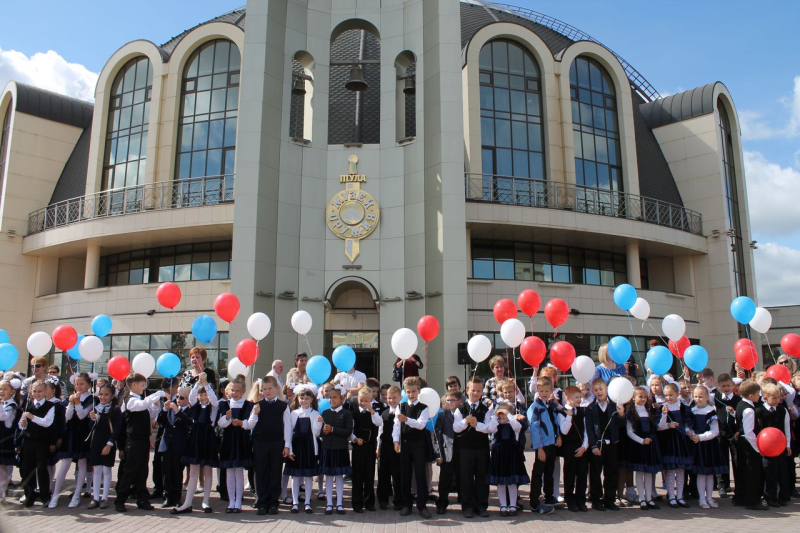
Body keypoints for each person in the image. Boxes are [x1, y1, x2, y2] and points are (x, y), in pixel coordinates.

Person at [115, 373, 165, 512]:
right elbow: (142, 405)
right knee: (130, 470)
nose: (144, 387)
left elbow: (152, 412)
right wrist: (157, 394)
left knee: (143, 470)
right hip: (133, 441)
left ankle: (143, 499)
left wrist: (155, 405)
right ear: (134, 385)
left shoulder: (142, 400)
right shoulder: (131, 400)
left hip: (144, 440)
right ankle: (120, 500)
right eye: (142, 385)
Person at [174, 373, 220, 514]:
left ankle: (206, 501)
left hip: (208, 438)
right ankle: (188, 502)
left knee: (207, 470)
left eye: (205, 394)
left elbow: (214, 400)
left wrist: (206, 384)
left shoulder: (214, 406)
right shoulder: (195, 405)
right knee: (193, 471)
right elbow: (192, 396)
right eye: (202, 395)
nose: (203, 397)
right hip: (196, 437)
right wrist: (198, 384)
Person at [248, 375, 292, 515]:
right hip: (260, 443)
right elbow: (250, 425)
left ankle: (273, 502)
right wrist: (255, 414)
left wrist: (287, 445)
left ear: (276, 388)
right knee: (261, 472)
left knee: (275, 472)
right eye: (264, 389)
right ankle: (262, 502)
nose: (267, 391)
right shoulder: (258, 405)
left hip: (277, 443)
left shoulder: (283, 406)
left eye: (269, 388)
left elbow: (288, 427)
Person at [50, 372, 94, 509]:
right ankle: (55, 495)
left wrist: (77, 403)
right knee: (65, 463)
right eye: (76, 383)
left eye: (81, 384)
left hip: (83, 433)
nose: (78, 386)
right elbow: (67, 417)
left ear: (88, 385)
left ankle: (76, 495)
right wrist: (70, 403)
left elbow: (82, 416)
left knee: (81, 463)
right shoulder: (70, 397)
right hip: (70, 433)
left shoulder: (92, 399)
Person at [453, 375, 495, 518]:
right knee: (466, 477)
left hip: (482, 448)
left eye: (478, 391)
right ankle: (467, 506)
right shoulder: (460, 408)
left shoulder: (485, 409)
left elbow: (489, 428)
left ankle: (482, 505)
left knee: (482, 477)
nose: (476, 393)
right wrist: (465, 422)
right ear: (467, 390)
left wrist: (477, 425)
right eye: (473, 390)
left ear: (482, 392)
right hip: (465, 448)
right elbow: (456, 428)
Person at [393, 376, 432, 518]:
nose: (411, 394)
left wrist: (407, 420)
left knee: (420, 474)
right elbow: (396, 426)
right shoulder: (401, 406)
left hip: (418, 445)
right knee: (405, 474)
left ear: (418, 391)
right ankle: (406, 504)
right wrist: (395, 442)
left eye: (413, 391)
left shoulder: (424, 408)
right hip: (405, 444)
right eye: (408, 392)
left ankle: (422, 505)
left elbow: (421, 424)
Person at [586, 377, 626, 511]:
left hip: (612, 444)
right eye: (596, 390)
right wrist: (593, 446)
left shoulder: (614, 406)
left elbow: (621, 425)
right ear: (592, 391)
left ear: (607, 389)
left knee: (612, 472)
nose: (599, 392)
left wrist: (621, 415)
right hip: (598, 445)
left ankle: (609, 499)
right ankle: (596, 500)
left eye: (601, 389)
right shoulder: (590, 408)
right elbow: (590, 428)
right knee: (596, 473)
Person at [622, 387, 666, 510]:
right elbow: (629, 432)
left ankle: (649, 498)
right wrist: (641, 441)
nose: (643, 399)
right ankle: (641, 498)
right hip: (639, 444)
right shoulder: (630, 412)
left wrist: (665, 414)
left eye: (645, 397)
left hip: (651, 444)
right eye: (640, 396)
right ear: (633, 398)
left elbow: (659, 426)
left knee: (649, 473)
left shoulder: (650, 411)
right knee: (640, 472)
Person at [217, 374, 254, 514]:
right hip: (228, 440)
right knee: (229, 471)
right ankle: (231, 500)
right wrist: (226, 418)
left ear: (243, 391)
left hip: (241, 440)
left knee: (238, 471)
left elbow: (250, 424)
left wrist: (241, 423)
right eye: (232, 390)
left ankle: (238, 500)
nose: (234, 393)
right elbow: (221, 424)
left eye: (237, 391)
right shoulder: (224, 404)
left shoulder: (249, 404)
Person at [687, 385, 727, 509]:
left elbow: (715, 431)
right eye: (696, 397)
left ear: (707, 397)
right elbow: (688, 426)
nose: (698, 399)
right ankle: (702, 498)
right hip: (697, 446)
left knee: (710, 474)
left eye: (701, 397)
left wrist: (701, 437)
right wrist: (692, 434)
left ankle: (710, 497)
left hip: (709, 445)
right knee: (701, 473)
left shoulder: (711, 412)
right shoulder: (692, 411)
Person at [284, 384, 322, 514]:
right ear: (298, 399)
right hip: (297, 447)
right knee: (295, 476)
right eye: (302, 398)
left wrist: (319, 423)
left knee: (308, 476)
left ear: (311, 399)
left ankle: (307, 502)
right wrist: (289, 448)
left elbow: (316, 434)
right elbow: (289, 431)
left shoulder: (315, 413)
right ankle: (295, 502)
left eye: (307, 398)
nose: (304, 400)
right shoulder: (294, 413)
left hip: (309, 447)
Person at [18, 379, 55, 507]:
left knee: (41, 469)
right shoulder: (28, 405)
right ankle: (29, 495)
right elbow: (21, 422)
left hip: (41, 441)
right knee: (27, 469)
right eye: (35, 391)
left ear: (45, 392)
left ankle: (45, 495)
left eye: (40, 391)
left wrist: (32, 417)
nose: (37, 394)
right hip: (28, 441)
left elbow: (47, 422)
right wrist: (23, 424)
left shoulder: (50, 406)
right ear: (31, 392)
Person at [488, 399, 529, 517]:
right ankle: (503, 505)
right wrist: (495, 417)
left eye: (504, 414)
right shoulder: (497, 425)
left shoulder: (514, 424)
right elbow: (491, 429)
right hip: (499, 454)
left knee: (512, 482)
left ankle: (512, 505)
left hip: (512, 454)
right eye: (501, 414)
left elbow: (517, 427)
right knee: (501, 482)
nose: (503, 417)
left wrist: (509, 414)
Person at [157, 386, 193, 510]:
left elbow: (188, 423)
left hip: (179, 445)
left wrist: (178, 411)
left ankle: (177, 496)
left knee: (177, 472)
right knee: (166, 471)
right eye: (177, 397)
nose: (178, 399)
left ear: (188, 399)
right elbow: (161, 422)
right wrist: (164, 410)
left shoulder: (188, 410)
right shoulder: (171, 409)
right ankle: (168, 496)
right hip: (167, 444)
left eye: (181, 398)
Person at [320, 383, 354, 515]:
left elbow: (347, 431)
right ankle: (329, 503)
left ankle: (339, 503)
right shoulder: (325, 413)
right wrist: (322, 429)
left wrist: (333, 429)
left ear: (341, 399)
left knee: (339, 476)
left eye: (334, 397)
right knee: (328, 476)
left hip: (340, 449)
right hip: (327, 448)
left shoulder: (346, 414)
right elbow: (321, 433)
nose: (331, 400)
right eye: (330, 397)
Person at [658, 382, 693, 508]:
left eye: (671, 395)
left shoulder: (683, 407)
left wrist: (689, 431)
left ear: (677, 394)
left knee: (681, 470)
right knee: (671, 470)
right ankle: (671, 496)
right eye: (666, 395)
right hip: (670, 441)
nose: (668, 397)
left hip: (681, 441)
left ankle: (680, 496)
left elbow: (688, 422)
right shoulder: (663, 407)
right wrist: (667, 421)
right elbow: (659, 426)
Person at [756, 382, 792, 507]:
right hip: (766, 448)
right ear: (765, 398)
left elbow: (786, 428)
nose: (778, 400)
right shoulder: (759, 411)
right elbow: (758, 430)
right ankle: (769, 497)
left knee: (782, 472)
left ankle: (782, 496)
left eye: (779, 397)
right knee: (769, 472)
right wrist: (759, 447)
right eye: (774, 398)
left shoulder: (782, 411)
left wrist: (788, 445)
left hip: (780, 446)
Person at [734, 380, 767, 510]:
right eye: (758, 393)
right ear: (751, 395)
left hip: (742, 442)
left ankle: (741, 497)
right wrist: (757, 448)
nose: (759, 395)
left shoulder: (740, 404)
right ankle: (751, 500)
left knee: (743, 471)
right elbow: (749, 432)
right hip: (748, 444)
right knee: (752, 472)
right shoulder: (749, 409)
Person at [87, 382, 121, 510]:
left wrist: (110, 443)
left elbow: (117, 429)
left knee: (106, 470)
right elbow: (91, 429)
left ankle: (105, 497)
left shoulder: (115, 410)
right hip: (96, 442)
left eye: (106, 395)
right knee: (96, 470)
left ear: (112, 396)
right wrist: (92, 419)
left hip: (108, 443)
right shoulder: (97, 408)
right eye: (101, 394)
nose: (103, 397)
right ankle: (95, 497)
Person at [528, 376, 558, 514]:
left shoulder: (551, 405)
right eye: (541, 391)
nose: (544, 393)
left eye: (547, 390)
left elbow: (555, 422)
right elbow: (535, 428)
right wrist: (539, 447)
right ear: (537, 391)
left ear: (551, 390)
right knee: (538, 473)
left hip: (552, 444)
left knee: (549, 471)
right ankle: (534, 501)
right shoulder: (536, 408)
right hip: (542, 446)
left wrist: (558, 436)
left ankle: (549, 496)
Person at [350, 386, 382, 513]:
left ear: (371, 400)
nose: (363, 403)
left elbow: (379, 423)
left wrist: (372, 411)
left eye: (366, 401)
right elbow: (350, 431)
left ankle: (369, 502)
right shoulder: (354, 413)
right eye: (361, 400)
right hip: (358, 447)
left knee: (369, 475)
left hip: (370, 447)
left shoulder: (373, 413)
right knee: (357, 476)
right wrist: (354, 439)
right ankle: (357, 502)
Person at [558, 385, 589, 512]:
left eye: (580, 397)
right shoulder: (562, 412)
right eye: (576, 397)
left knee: (582, 474)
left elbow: (587, 430)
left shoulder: (583, 411)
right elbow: (564, 431)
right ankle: (570, 500)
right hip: (569, 447)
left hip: (582, 445)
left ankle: (581, 499)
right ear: (567, 398)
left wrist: (584, 447)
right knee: (570, 474)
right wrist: (569, 416)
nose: (579, 399)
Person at [434, 390, 461, 514]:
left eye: (452, 400)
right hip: (447, 452)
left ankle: (465, 501)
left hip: (461, 452)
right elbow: (437, 436)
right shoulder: (442, 416)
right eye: (448, 400)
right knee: (445, 479)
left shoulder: (463, 414)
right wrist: (439, 454)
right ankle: (442, 502)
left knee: (463, 478)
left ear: (459, 402)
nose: (450, 402)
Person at [714, 373, 740, 499]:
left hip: (733, 434)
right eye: (723, 386)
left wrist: (733, 412)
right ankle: (723, 485)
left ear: (732, 385)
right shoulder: (716, 398)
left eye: (728, 385)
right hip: (721, 433)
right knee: (722, 459)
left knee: (736, 459)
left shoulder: (737, 400)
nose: (726, 388)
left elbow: (740, 417)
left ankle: (739, 486)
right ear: (719, 386)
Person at [377, 385, 402, 511]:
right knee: (383, 473)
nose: (391, 400)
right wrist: (378, 447)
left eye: (394, 398)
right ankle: (383, 499)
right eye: (389, 398)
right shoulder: (384, 413)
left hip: (396, 447)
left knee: (397, 474)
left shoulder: (401, 412)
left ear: (400, 398)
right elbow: (380, 431)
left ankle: (398, 500)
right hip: (385, 445)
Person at [0, 378, 20, 501]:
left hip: (5, 439)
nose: (2, 391)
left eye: (5, 389)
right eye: (0, 389)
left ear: (12, 391)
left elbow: (6, 420)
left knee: (3, 466)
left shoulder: (11, 405)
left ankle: (2, 492)